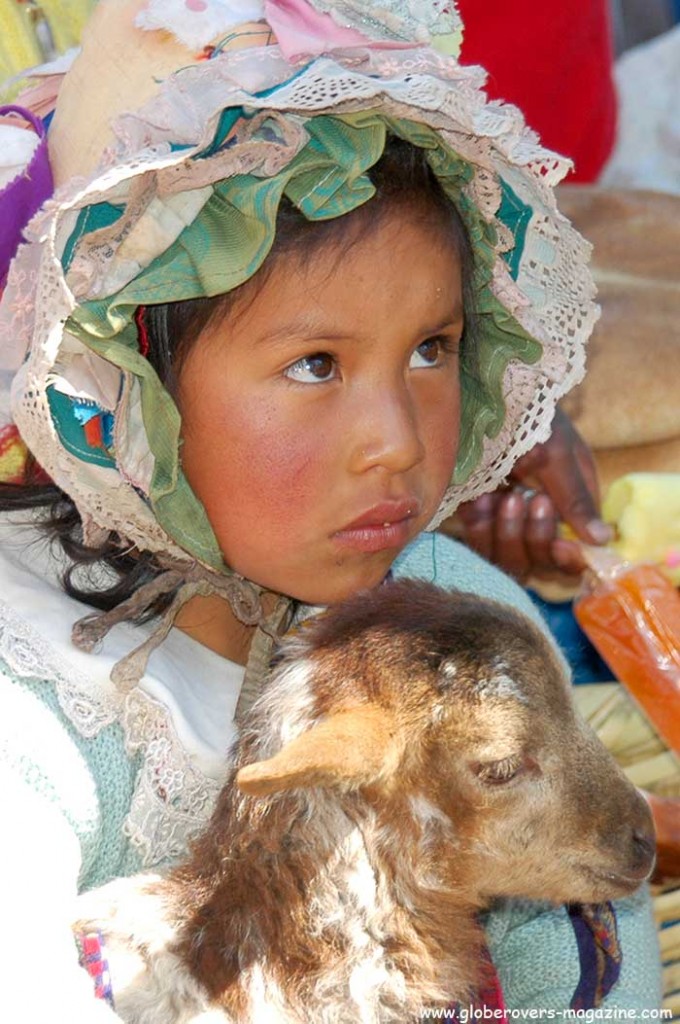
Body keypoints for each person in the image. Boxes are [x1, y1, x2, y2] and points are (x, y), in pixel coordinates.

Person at [0, 0, 661, 1018]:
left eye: (432, 348)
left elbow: (578, 967)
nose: (396, 439)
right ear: (133, 382)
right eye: (316, 363)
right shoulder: (42, 701)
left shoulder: (451, 616)